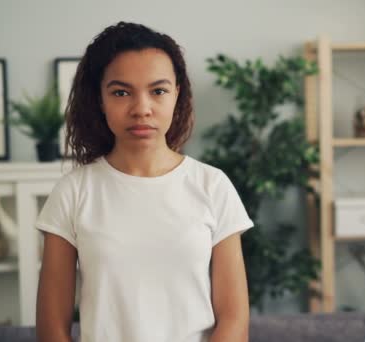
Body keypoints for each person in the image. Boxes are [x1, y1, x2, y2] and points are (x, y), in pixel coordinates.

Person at [35, 21, 254, 342]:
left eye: (158, 91)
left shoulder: (213, 186)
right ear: (100, 99)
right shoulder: (73, 192)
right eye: (121, 92)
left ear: (177, 95)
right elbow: (52, 328)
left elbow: (234, 320)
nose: (142, 109)